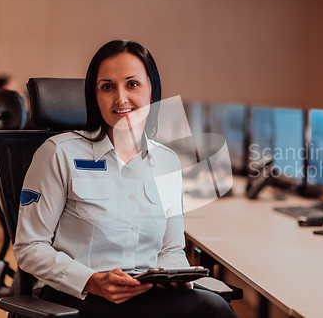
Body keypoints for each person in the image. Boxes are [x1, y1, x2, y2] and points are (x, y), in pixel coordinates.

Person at [13, 40, 237, 318]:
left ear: (152, 92)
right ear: (94, 96)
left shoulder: (167, 161)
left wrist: (173, 277)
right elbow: (29, 247)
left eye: (132, 84)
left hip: (143, 296)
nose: (120, 98)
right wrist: (93, 281)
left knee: (212, 308)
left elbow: (172, 249)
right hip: (73, 298)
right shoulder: (58, 153)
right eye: (107, 87)